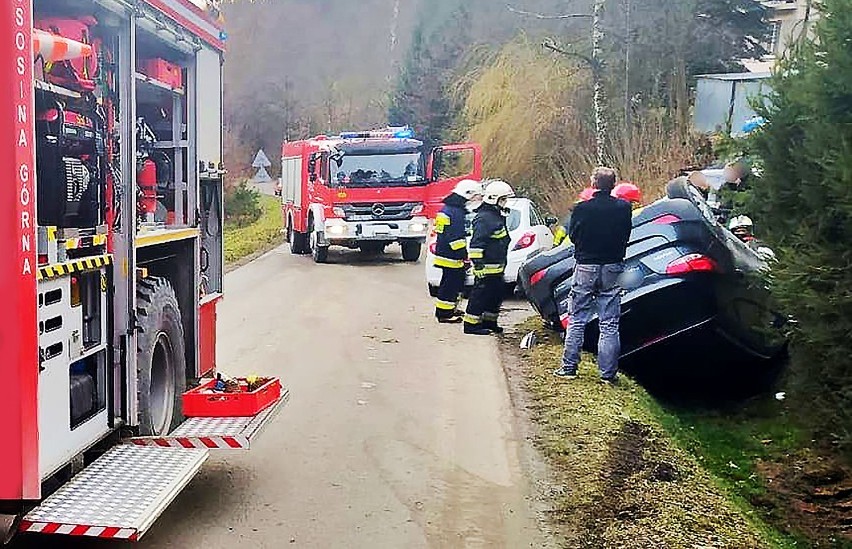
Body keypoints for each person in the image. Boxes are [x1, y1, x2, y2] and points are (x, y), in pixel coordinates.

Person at [554, 167, 632, 384]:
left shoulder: (581, 209)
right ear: (613, 185)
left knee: (577, 317)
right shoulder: (624, 208)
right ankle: (608, 374)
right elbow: (626, 234)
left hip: (586, 265)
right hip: (613, 266)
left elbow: (573, 236)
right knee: (609, 322)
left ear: (593, 184)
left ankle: (569, 367)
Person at [464, 180, 514, 335]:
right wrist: (478, 265)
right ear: (494, 199)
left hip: (496, 268)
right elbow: (477, 243)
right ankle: (471, 325)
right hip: (486, 268)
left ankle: (489, 322)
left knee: (495, 296)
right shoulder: (485, 218)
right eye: (503, 199)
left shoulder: (495, 216)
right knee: (480, 296)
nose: (505, 203)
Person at [433, 179, 483, 323]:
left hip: (445, 254)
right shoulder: (455, 212)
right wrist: (464, 256)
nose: (476, 199)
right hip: (451, 256)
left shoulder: (449, 209)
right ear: (467, 194)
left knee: (450, 283)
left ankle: (448, 309)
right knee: (450, 286)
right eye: (475, 196)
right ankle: (444, 314)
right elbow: (455, 238)